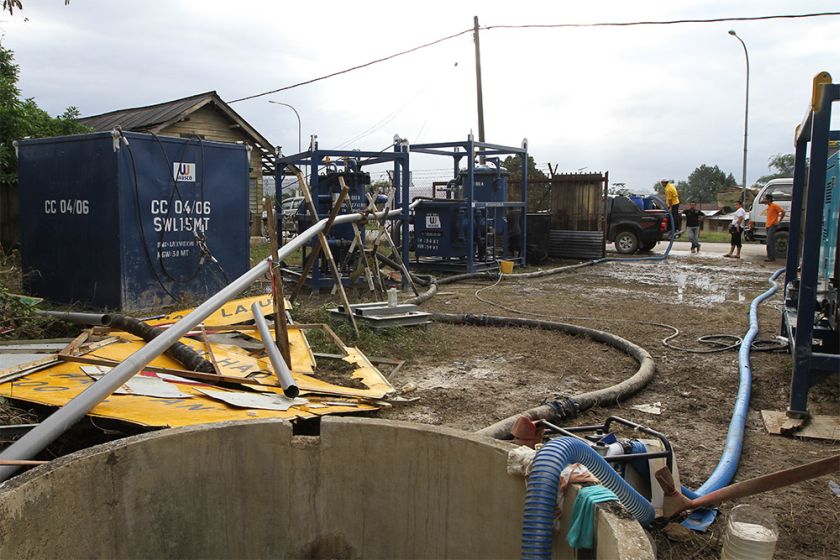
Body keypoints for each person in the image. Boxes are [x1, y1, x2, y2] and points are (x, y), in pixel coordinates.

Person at [763, 194, 786, 262]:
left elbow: (783, 211)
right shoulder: (769, 206)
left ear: (769, 199)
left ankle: (771, 257)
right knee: (769, 241)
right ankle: (770, 257)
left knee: (769, 241)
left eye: (765, 199)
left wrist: (779, 221)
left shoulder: (774, 205)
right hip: (768, 225)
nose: (764, 200)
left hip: (772, 225)